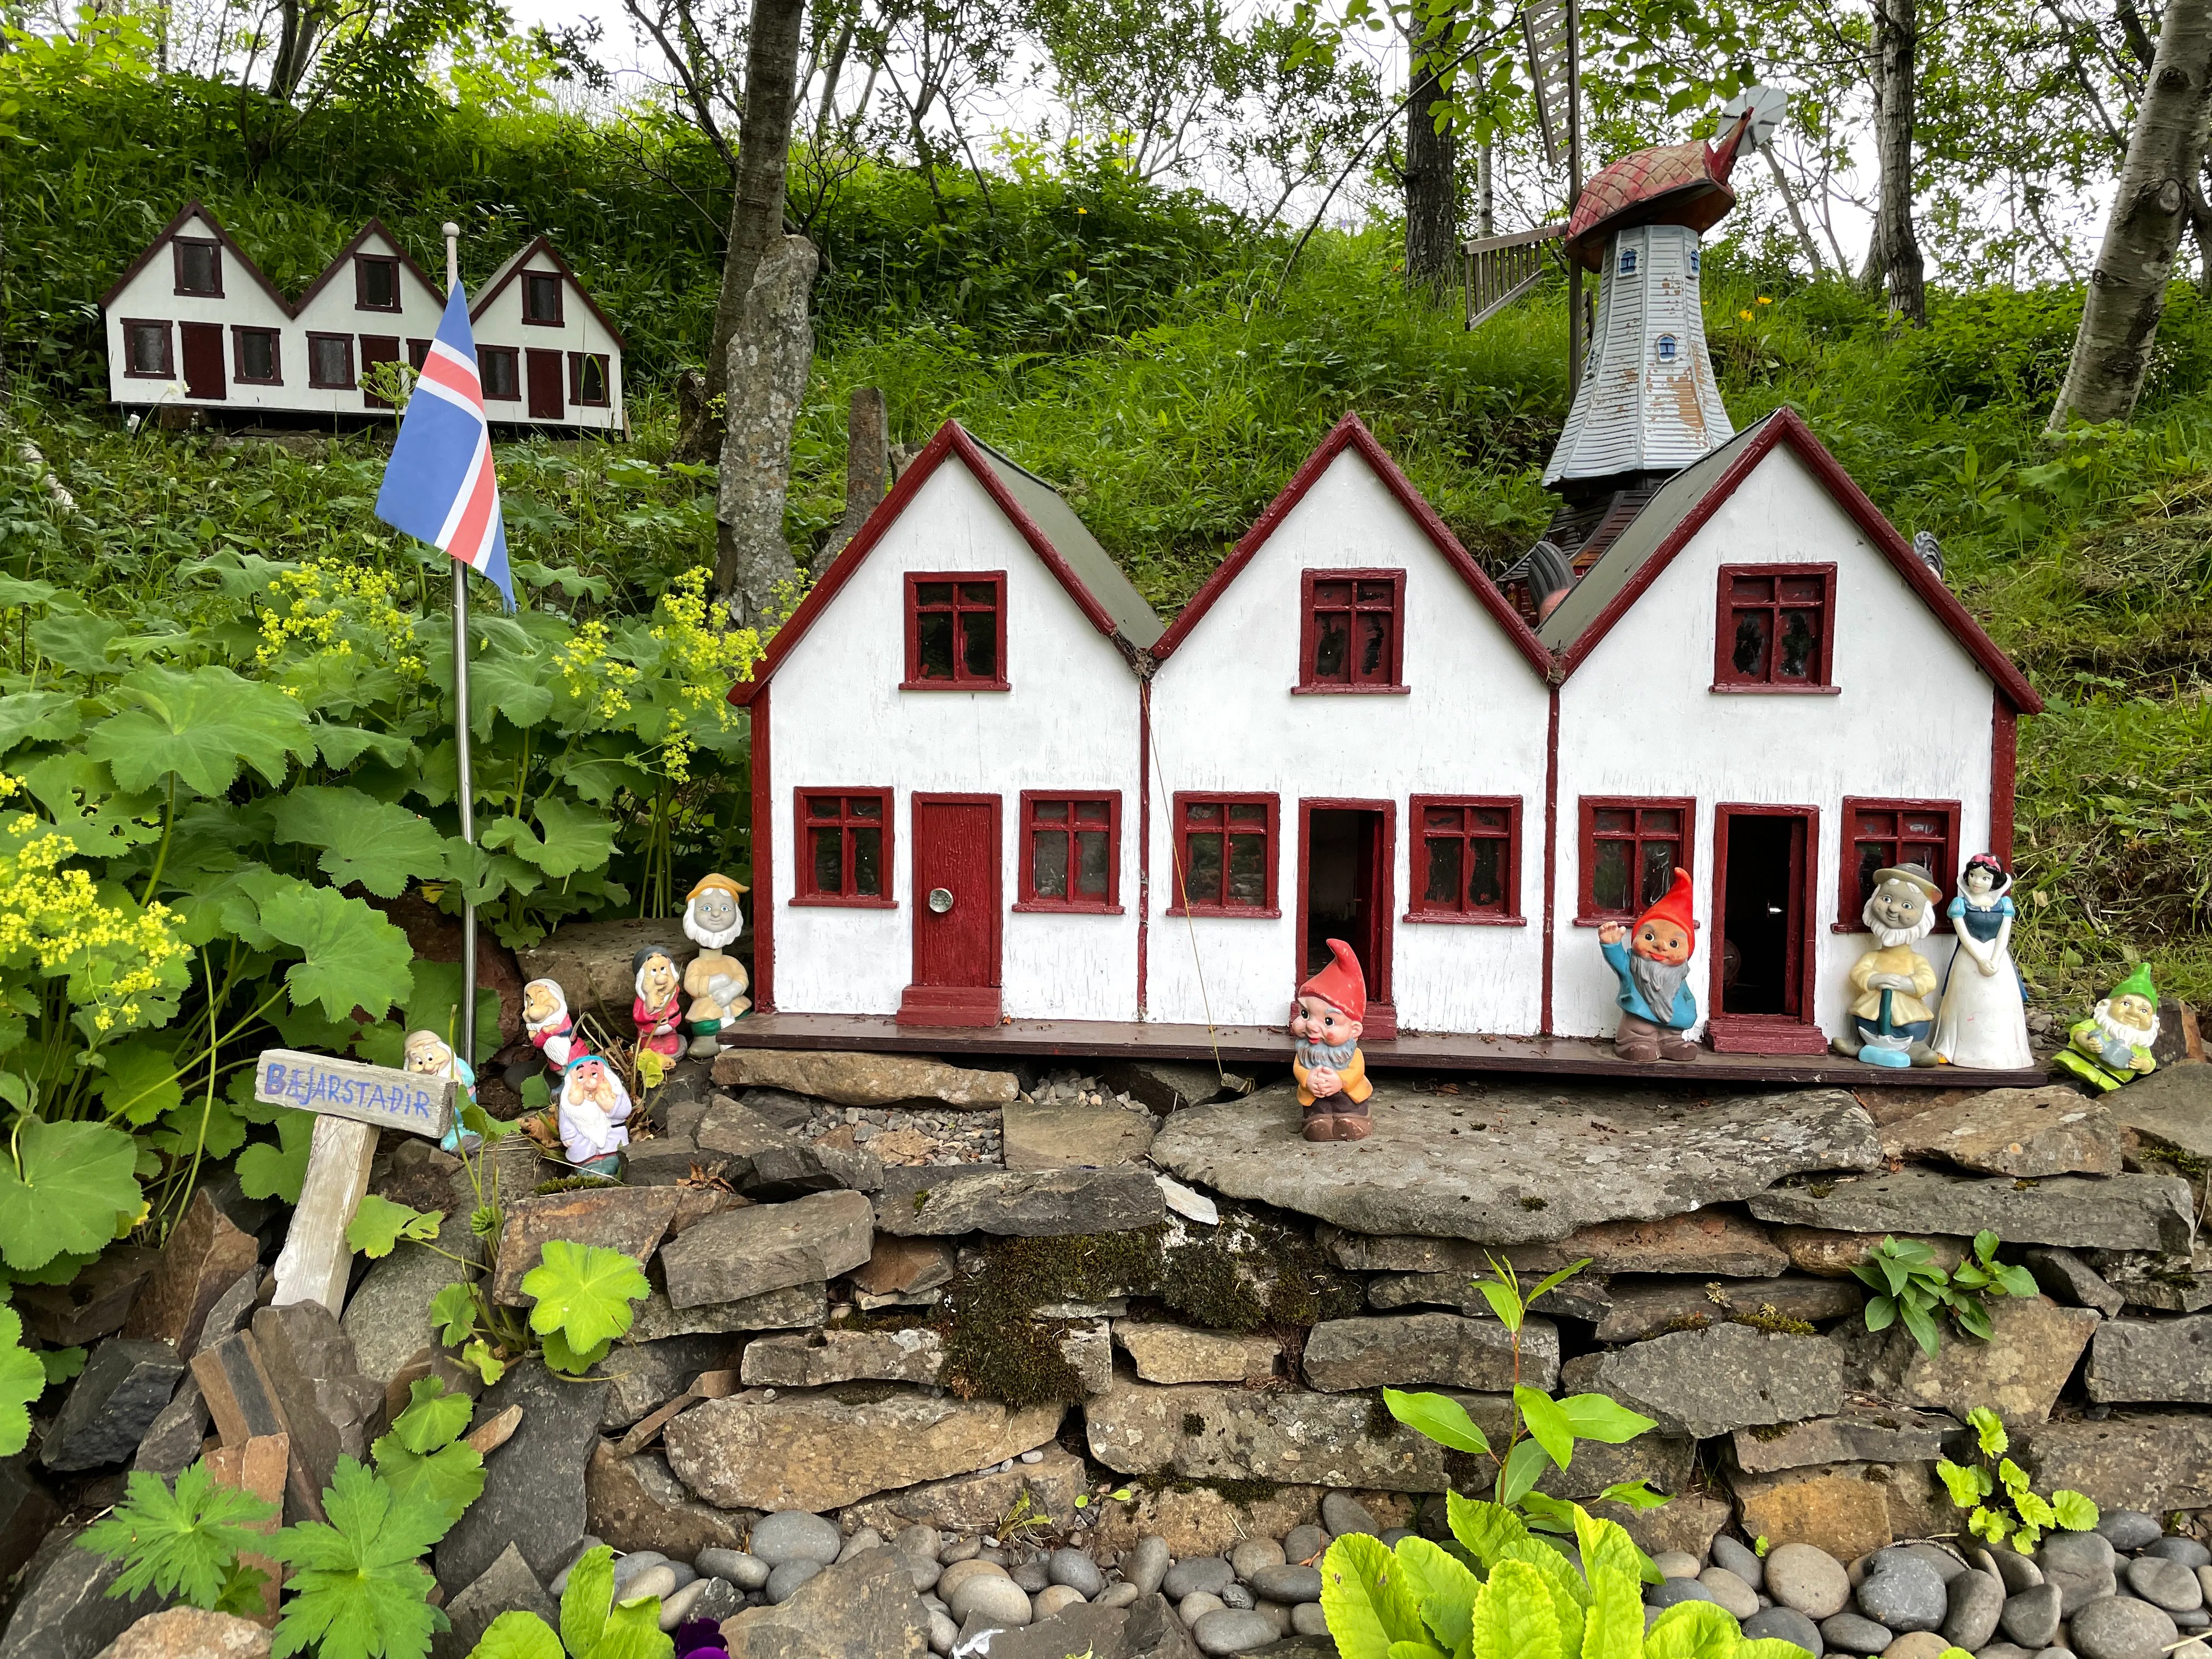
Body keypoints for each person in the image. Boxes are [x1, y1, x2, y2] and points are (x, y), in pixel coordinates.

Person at [1931, 855, 2034, 1070]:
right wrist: (1980, 960)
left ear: (1994, 882)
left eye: (1985, 878)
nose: (1977, 882)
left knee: (1998, 1004)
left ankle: (2004, 1052)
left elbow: (2004, 935)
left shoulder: (2005, 904)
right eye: (1973, 876)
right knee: (1965, 1002)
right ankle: (1957, 1050)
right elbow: (1964, 936)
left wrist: (1994, 961)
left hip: (1998, 960)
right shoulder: (1960, 904)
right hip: (1969, 958)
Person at [1835, 864, 1944, 1068]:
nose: (1893, 909)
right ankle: (1860, 1042)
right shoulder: (1873, 957)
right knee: (1864, 1015)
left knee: (1912, 1023)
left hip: (1907, 1012)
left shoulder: (1915, 960)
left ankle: (1915, 1048)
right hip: (1874, 1008)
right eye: (1886, 899)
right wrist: (1874, 979)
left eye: (1907, 906)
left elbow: (1928, 980)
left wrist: (1906, 983)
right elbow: (1858, 974)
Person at [1598, 866, 1700, 1062]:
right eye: (1650, 936)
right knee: (1639, 1040)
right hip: (1636, 1031)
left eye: (1674, 944)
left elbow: (1688, 998)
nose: (1660, 946)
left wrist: (1689, 1012)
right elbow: (1618, 961)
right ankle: (1632, 1045)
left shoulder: (1677, 976)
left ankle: (1673, 1046)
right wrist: (1611, 945)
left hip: (1673, 1027)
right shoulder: (1634, 968)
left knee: (1672, 1037)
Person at [1291, 938, 1373, 1143]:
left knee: (1349, 1111)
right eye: (1306, 1014)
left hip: (1348, 1098)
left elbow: (1356, 1071)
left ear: (1354, 1030)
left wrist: (1340, 1081)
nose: (1311, 1026)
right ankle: (1317, 1121)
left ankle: (1354, 1120)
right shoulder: (1305, 1050)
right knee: (1317, 1114)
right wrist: (1307, 1079)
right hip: (1315, 1098)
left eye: (1328, 1021)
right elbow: (1299, 1068)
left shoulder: (1352, 1053)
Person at [2057, 962, 2162, 1091]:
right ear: (2108, 1004)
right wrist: (2085, 1042)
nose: (2133, 1013)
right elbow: (2078, 1031)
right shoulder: (2100, 1024)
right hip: (2077, 1063)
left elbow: (2150, 1063)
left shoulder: (2140, 1042)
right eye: (2126, 1003)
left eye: (2144, 1011)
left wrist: (2142, 1064)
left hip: (2111, 1081)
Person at [680, 874, 751, 1057]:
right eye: (707, 908)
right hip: (708, 1008)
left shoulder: (731, 962)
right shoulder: (696, 965)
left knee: (743, 1015)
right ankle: (708, 1040)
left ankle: (741, 1036)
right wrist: (714, 983)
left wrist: (732, 990)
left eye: (725, 908)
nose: (716, 914)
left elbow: (742, 978)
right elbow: (692, 985)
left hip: (733, 1005)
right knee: (704, 1024)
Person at [403, 1028, 483, 1155]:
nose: (428, 1067)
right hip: (436, 1112)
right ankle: (446, 1134)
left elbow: (470, 1078)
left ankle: (465, 1132)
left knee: (464, 1119)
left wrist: (461, 1080)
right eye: (419, 1062)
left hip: (462, 1105)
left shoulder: (457, 1065)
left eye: (430, 1058)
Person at [557, 1049, 633, 1175]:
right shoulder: (568, 1103)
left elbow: (625, 1111)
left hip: (612, 1136)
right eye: (581, 1077)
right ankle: (587, 1165)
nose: (590, 1083)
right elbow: (565, 1120)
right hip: (583, 1141)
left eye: (594, 1074)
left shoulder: (616, 1092)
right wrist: (568, 1136)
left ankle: (612, 1159)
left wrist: (612, 1108)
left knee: (614, 1149)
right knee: (581, 1150)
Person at [631, 945, 685, 1062]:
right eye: (654, 971)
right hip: (649, 1034)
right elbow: (638, 1016)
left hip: (670, 1030)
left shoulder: (672, 994)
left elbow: (674, 1008)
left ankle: (670, 1038)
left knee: (672, 1047)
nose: (661, 979)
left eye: (664, 970)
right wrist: (649, 1008)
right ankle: (651, 1043)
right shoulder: (643, 1000)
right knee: (655, 1049)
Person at [522, 978, 578, 1072]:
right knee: (561, 1071)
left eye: (542, 998)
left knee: (579, 1067)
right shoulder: (535, 1029)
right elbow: (538, 1043)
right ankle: (563, 1080)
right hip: (555, 1061)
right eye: (531, 1003)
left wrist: (550, 1031)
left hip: (575, 1055)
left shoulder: (562, 1020)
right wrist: (542, 1034)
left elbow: (568, 1030)